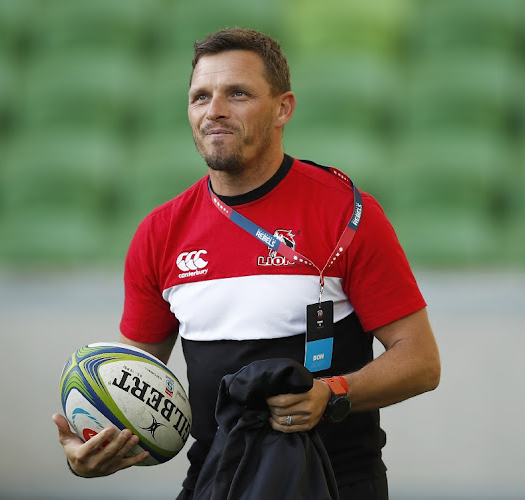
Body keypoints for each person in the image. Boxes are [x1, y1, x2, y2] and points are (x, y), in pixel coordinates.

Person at [52, 27, 440, 499]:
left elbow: (420, 361)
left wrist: (332, 392)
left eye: (237, 93)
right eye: (200, 97)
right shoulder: (159, 232)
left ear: (283, 108)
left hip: (335, 481)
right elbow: (132, 377)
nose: (214, 110)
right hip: (218, 480)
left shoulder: (347, 214)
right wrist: (93, 450)